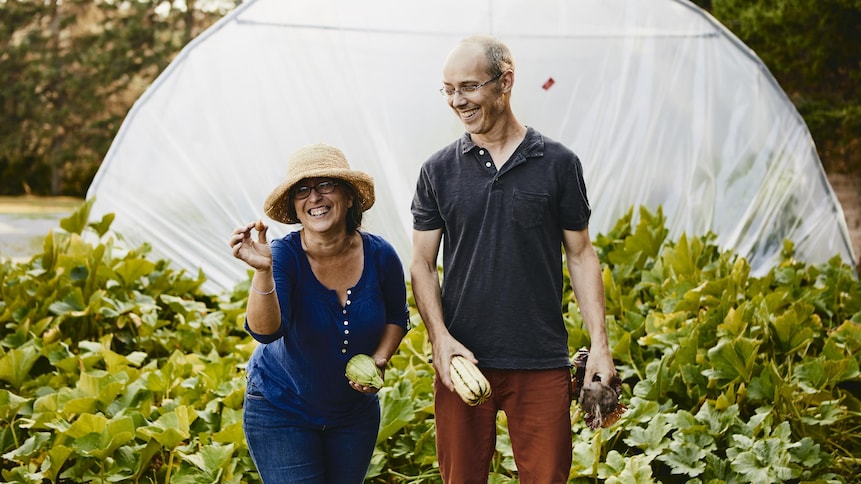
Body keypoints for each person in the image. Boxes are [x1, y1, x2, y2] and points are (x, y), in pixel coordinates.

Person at [410, 35, 619, 483]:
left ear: (505, 82)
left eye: (467, 86)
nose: (456, 100)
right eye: (447, 89)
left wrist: (600, 344)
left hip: (540, 359)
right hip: (463, 361)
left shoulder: (559, 164)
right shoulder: (437, 170)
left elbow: (581, 254)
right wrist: (439, 339)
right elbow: (422, 264)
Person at [229, 143, 409, 483]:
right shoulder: (284, 256)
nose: (314, 197)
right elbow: (266, 332)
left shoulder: (381, 254)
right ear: (295, 207)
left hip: (354, 414)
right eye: (302, 190)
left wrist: (380, 360)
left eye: (326, 185)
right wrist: (263, 271)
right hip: (281, 408)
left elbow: (397, 318)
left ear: (350, 197)